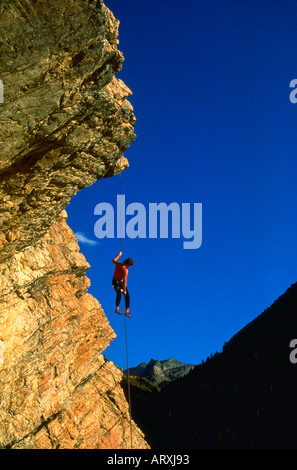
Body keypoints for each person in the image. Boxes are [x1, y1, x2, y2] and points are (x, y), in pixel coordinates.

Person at [112, 251, 134, 317]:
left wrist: (118, 255)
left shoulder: (118, 264)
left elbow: (113, 260)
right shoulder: (125, 270)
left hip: (115, 282)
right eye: (130, 265)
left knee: (124, 295)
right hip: (118, 283)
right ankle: (121, 309)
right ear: (128, 264)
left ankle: (124, 310)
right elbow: (125, 281)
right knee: (122, 294)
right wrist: (124, 290)